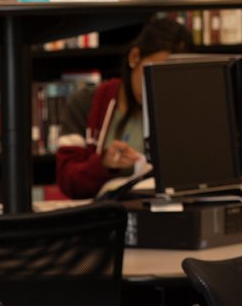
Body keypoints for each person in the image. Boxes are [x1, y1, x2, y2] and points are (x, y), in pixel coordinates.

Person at [56, 18, 192, 199]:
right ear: (134, 57)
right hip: (104, 215)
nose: (160, 87)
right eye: (155, 73)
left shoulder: (185, 109)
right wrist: (103, 164)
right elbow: (68, 180)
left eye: (173, 78)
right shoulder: (85, 103)